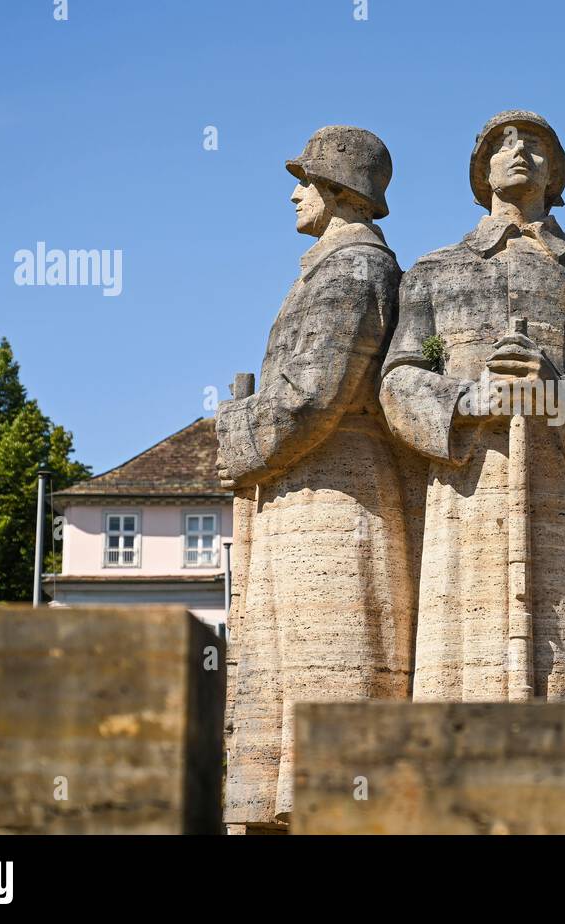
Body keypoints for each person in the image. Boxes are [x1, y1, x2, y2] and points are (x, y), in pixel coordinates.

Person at [379, 110, 565, 701]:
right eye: (501, 145)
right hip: (466, 486)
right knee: (458, 667)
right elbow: (398, 376)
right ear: (481, 172)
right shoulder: (435, 268)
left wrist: (564, 388)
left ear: (556, 172)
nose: (518, 151)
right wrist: (464, 402)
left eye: (534, 144)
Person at [216, 125, 413, 830]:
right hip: (304, 485)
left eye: (306, 180)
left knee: (330, 669)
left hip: (334, 491)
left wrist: (230, 430)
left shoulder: (352, 270)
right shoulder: (326, 267)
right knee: (290, 674)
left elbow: (312, 395)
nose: (296, 194)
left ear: (338, 190)